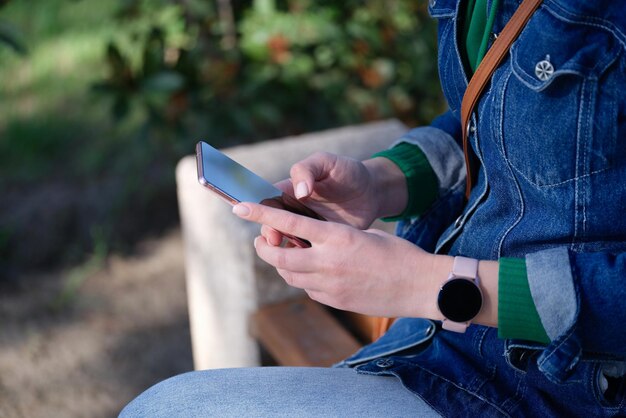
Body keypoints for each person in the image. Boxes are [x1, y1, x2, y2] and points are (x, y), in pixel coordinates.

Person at [120, 0, 626, 416]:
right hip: (445, 345)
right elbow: (496, 116)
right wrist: (384, 180)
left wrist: (427, 285)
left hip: (568, 387)